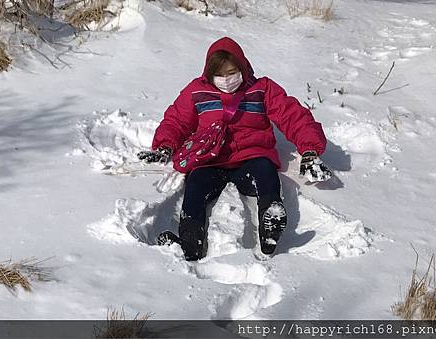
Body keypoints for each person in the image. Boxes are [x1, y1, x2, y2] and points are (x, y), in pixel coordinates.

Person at [138, 37, 332, 261]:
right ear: (209, 73)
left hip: (253, 154)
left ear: (242, 67)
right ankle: (190, 242)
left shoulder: (262, 89)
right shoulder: (197, 92)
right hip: (210, 160)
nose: (227, 80)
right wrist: (164, 146)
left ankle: (271, 222)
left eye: (232, 72)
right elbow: (177, 121)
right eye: (220, 75)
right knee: (195, 188)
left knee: (266, 175)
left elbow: (293, 117)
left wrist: (310, 150)